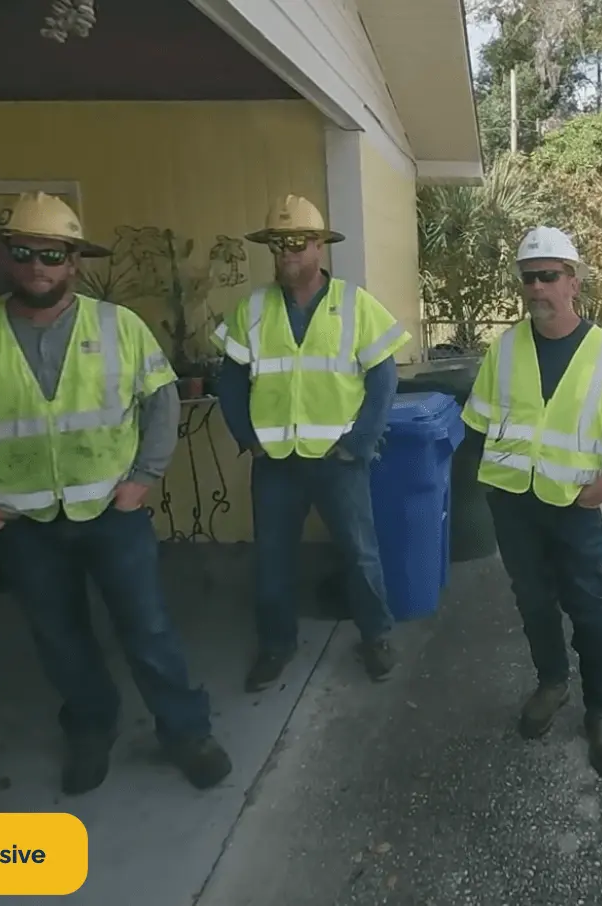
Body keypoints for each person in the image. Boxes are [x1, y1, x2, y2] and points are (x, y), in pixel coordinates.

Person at [0, 191, 232, 795]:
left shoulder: (119, 327)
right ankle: (91, 728)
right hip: (21, 524)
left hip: (112, 513)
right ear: (5, 259)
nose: (38, 266)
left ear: (72, 262)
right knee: (60, 639)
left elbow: (161, 403)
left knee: (148, 630)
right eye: (24, 253)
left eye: (52, 254)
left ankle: (186, 732)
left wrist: (143, 478)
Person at [462, 226, 602, 780]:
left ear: (573, 281)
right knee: (532, 599)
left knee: (588, 604)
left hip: (574, 504)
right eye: (529, 278)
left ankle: (601, 708)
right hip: (513, 504)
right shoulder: (504, 349)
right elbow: (477, 421)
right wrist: (482, 484)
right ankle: (551, 682)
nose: (537, 287)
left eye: (548, 276)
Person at [217, 194, 410, 692]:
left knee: (360, 554)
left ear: (319, 246)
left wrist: (358, 444)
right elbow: (231, 381)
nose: (287, 254)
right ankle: (276, 644)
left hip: (339, 461)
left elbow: (383, 379)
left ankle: (376, 636)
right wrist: (249, 440)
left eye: (297, 243)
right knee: (273, 559)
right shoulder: (253, 309)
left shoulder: (355, 304)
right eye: (278, 244)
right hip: (276, 463)